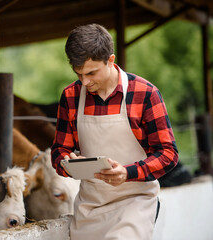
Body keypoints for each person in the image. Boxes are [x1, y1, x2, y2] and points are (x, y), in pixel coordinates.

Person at [51, 23, 178, 240]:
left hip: (135, 201)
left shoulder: (145, 94)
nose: (85, 81)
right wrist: (68, 164)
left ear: (111, 60)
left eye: (91, 73)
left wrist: (127, 173)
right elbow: (58, 151)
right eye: (79, 74)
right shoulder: (71, 96)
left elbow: (168, 154)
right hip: (89, 208)